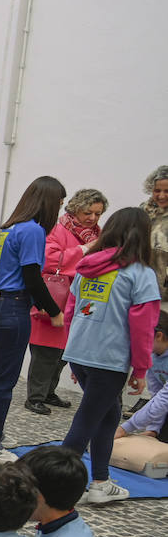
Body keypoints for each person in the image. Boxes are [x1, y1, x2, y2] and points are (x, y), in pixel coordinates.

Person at [60, 206, 161, 504]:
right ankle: (53, 488)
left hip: (81, 353)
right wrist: (141, 370)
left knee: (109, 415)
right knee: (87, 420)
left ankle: (101, 482)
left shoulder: (87, 266)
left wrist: (73, 355)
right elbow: (144, 327)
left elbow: (71, 312)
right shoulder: (141, 274)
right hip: (109, 359)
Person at [0, 176, 66, 457]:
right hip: (12, 306)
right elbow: (32, 277)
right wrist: (54, 310)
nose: (59, 210)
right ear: (48, 203)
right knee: (2, 379)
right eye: (59, 204)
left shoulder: (10, 227)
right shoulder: (33, 230)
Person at [25, 189, 107, 414]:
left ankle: (49, 392)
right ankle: (35, 396)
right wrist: (84, 249)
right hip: (56, 297)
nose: (93, 218)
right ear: (75, 209)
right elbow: (49, 259)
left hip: (81, 299)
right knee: (45, 351)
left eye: (98, 214)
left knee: (64, 352)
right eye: (88, 213)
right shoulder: (57, 229)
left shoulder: (97, 234)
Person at [141, 164, 168, 299]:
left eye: (167, 191)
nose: (161, 196)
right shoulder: (143, 211)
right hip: (144, 286)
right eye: (157, 190)